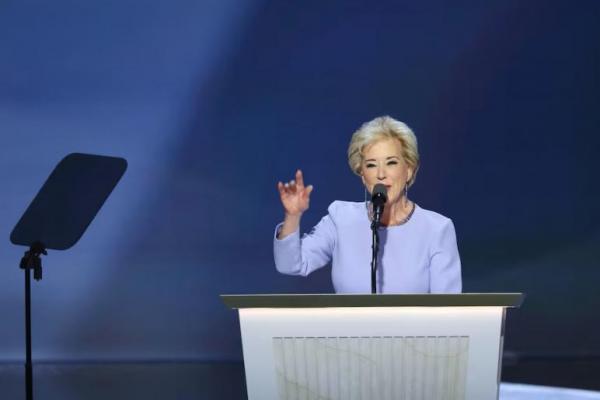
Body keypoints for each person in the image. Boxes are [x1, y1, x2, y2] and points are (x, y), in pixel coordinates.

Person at [273, 116, 462, 293]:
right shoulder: (341, 219)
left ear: (409, 170)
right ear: (363, 176)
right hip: (350, 329)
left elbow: (448, 311)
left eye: (391, 162)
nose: (381, 174)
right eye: (371, 165)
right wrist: (293, 216)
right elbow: (290, 265)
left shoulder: (437, 230)